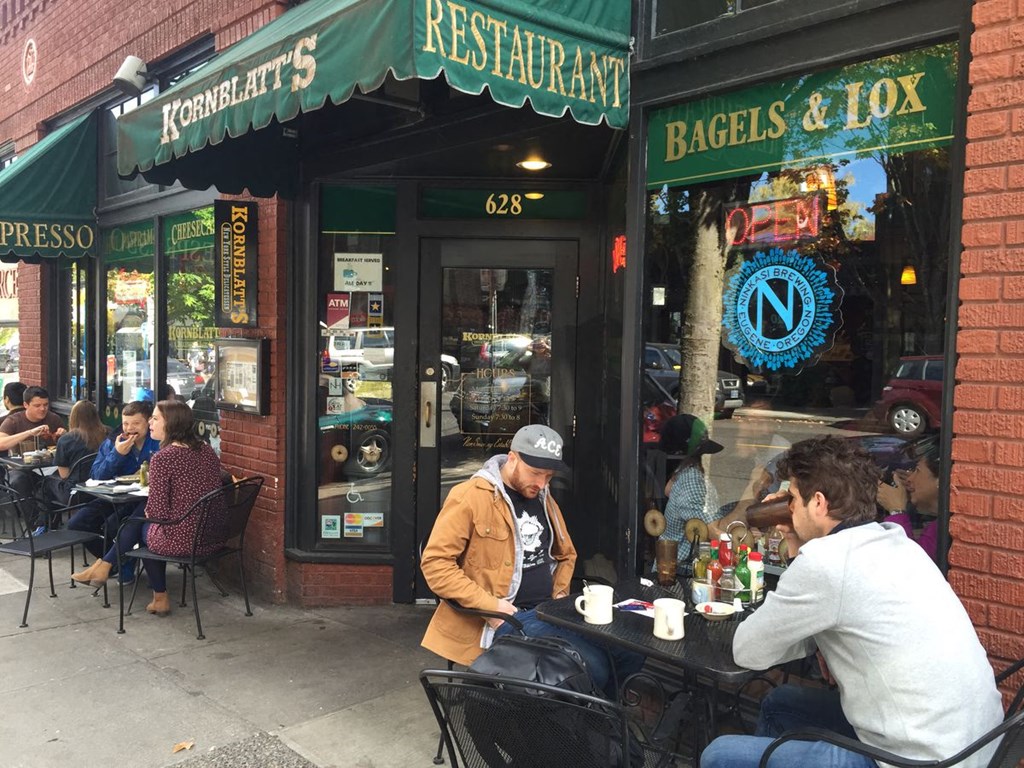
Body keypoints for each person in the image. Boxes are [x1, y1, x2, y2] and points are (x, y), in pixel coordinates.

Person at [700, 436, 1003, 768]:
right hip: (975, 744)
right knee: (782, 703)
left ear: (817, 503)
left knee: (719, 754)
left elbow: (749, 651)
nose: (787, 508)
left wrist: (794, 540)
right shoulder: (896, 541)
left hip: (920, 760)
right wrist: (794, 538)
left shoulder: (826, 563)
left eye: (793, 499)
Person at [420, 424, 643, 697]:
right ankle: (594, 720)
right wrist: (493, 609)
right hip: (507, 617)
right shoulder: (470, 496)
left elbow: (566, 554)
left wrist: (560, 596)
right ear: (512, 458)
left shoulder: (544, 498)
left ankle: (596, 716)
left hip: (550, 610)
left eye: (548, 476)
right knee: (595, 665)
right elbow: (435, 565)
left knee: (629, 650)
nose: (541, 483)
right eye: (535, 473)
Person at [72, 400, 223, 615]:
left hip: (183, 538)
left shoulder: (163, 456)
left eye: (155, 418)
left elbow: (158, 514)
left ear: (170, 423)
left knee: (142, 527)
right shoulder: (205, 450)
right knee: (138, 517)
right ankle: (108, 566)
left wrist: (150, 506)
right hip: (212, 533)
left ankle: (116, 571)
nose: (151, 422)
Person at [66, 401, 160, 583]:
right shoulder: (114, 440)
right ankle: (122, 561)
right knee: (77, 523)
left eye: (136, 424)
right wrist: (117, 454)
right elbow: (96, 475)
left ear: (148, 423)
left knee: (114, 526)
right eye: (126, 423)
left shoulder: (157, 439)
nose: (130, 428)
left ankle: (111, 563)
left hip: (144, 500)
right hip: (115, 497)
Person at [658, 414, 723, 566]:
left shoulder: (681, 472)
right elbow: (713, 533)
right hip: (681, 573)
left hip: (671, 563)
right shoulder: (692, 480)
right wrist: (751, 491)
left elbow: (669, 490)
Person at [0, 386, 66, 529]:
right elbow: (1, 443)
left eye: (45, 405)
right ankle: (35, 525)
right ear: (25, 405)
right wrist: (29, 432)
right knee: (17, 481)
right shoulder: (14, 421)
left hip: (49, 467)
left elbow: (65, 445)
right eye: (37, 406)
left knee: (58, 480)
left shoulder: (54, 418)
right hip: (21, 468)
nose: (42, 409)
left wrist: (63, 435)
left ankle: (50, 522)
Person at [39, 400, 108, 520]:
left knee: (46, 483)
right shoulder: (108, 433)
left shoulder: (66, 440)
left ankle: (46, 525)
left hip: (76, 492)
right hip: (103, 489)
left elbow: (64, 475)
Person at [877, 436, 940, 562]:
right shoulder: (940, 524)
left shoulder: (941, 528)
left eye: (917, 471)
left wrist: (897, 510)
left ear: (939, 481)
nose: (910, 478)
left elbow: (909, 564)